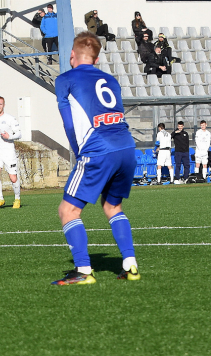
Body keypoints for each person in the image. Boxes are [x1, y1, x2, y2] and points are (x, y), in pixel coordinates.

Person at [52, 32, 139, 285]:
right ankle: (130, 265)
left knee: (68, 210)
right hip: (126, 147)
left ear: (72, 55)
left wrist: (79, 152)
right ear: (97, 59)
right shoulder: (111, 80)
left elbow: (68, 123)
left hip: (97, 150)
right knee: (113, 207)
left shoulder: (65, 79)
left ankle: (83, 271)